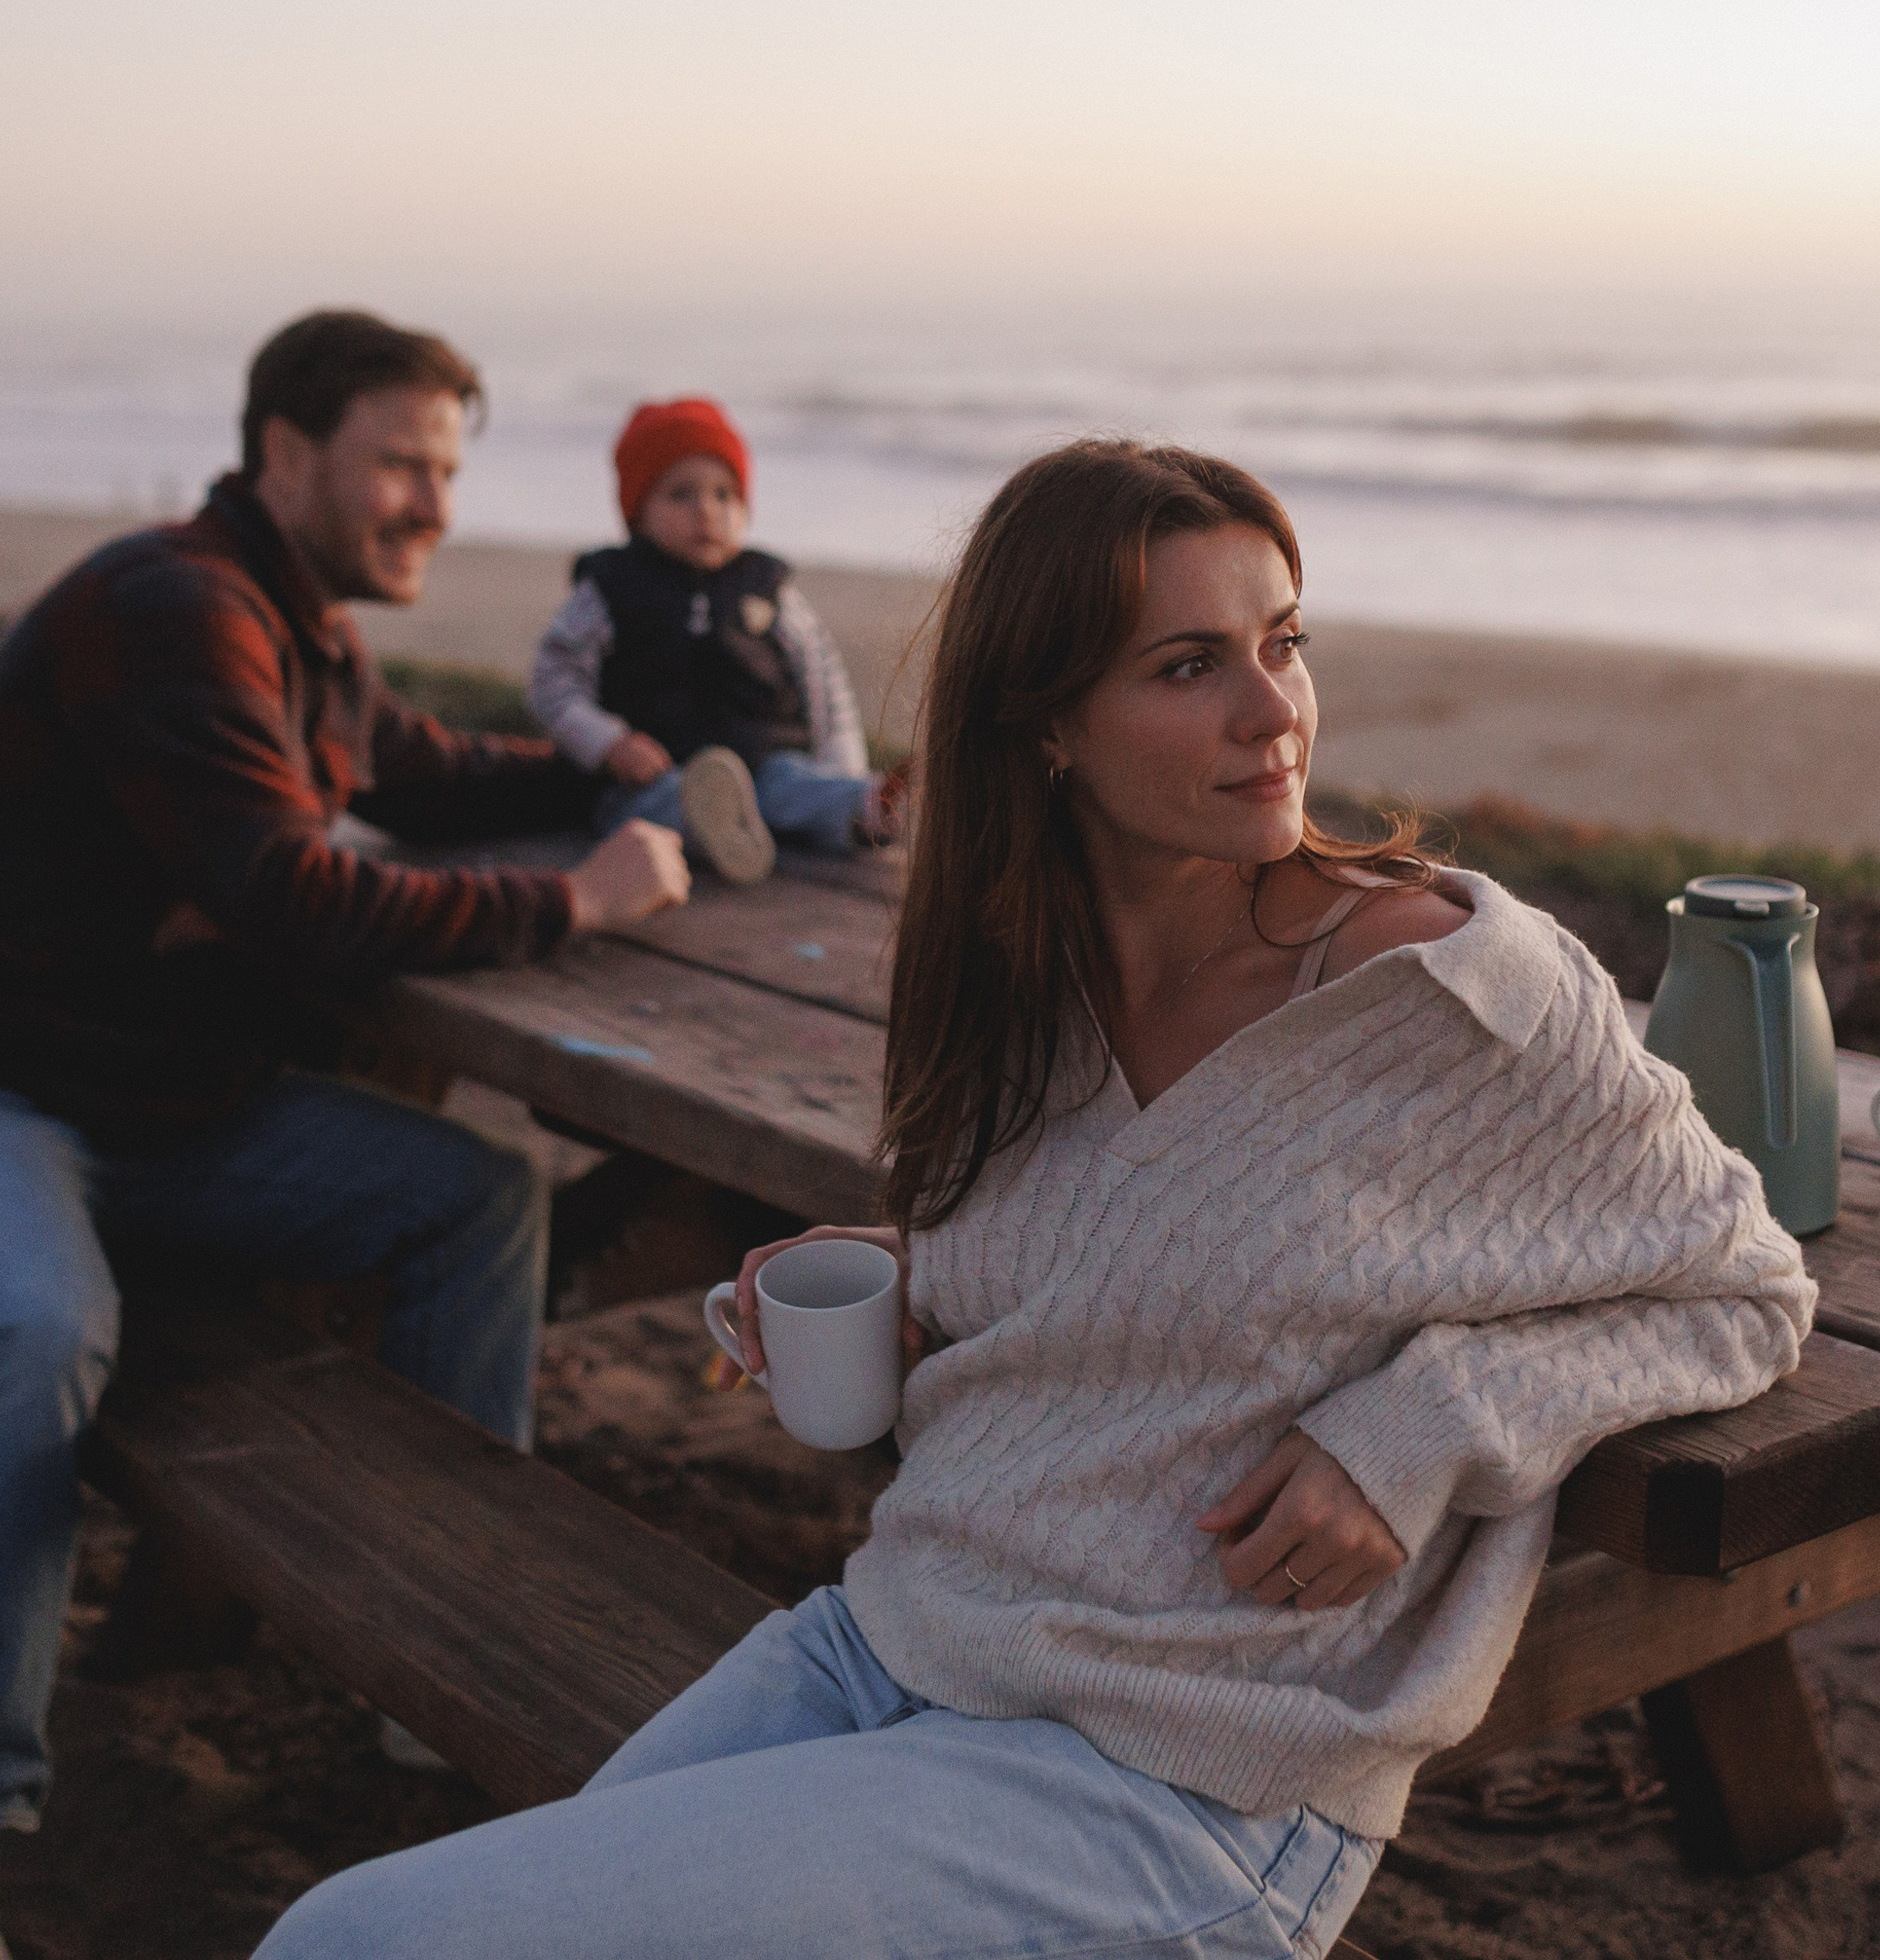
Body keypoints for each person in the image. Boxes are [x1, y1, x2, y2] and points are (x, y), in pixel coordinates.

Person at [256, 439, 1814, 1960]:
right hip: (897, 1636)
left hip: (1170, 1781)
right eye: (1191, 666)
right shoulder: (1014, 969)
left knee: (350, 1939)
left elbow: (1744, 1288)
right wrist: (913, 1263)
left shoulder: (1457, 997)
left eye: (1283, 642)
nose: (1275, 712)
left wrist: (1425, 1425)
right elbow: (1132, 1246)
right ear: (1048, 724)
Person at [0, 310, 690, 1960]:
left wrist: (631, 786)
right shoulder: (179, 609)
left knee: (473, 1199)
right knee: (33, 1331)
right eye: (400, 465)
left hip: (156, 1105)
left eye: (449, 468)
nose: (431, 501)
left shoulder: (308, 638)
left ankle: (438, 1667)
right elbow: (289, 897)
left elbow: (420, 774)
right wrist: (580, 896)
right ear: (284, 454)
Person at [527, 395, 902, 884]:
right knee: (656, 809)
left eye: (724, 494)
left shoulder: (767, 585)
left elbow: (822, 680)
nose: (706, 510)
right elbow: (553, 683)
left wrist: (843, 768)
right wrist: (607, 743)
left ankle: (876, 809)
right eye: (681, 494)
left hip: (765, 763)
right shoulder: (612, 587)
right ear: (638, 511)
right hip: (653, 775)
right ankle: (715, 830)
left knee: (799, 786)